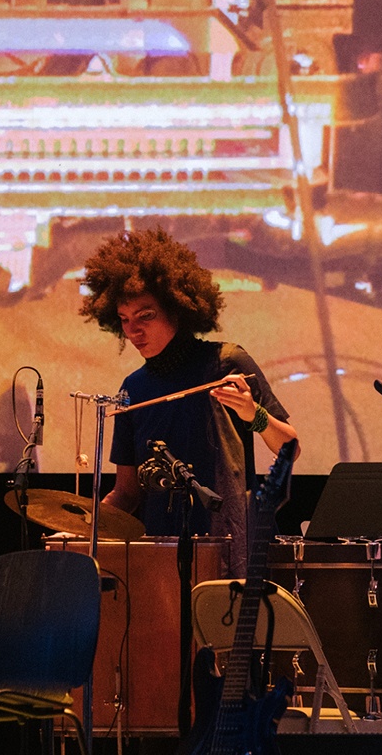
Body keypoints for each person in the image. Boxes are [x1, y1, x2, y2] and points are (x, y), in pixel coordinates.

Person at [81, 229, 297, 572]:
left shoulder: (226, 362)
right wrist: (85, 525)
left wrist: (252, 414)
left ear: (177, 310)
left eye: (145, 316)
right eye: (124, 320)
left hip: (228, 549)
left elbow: (290, 447)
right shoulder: (132, 389)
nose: (133, 330)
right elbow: (127, 492)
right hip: (160, 556)